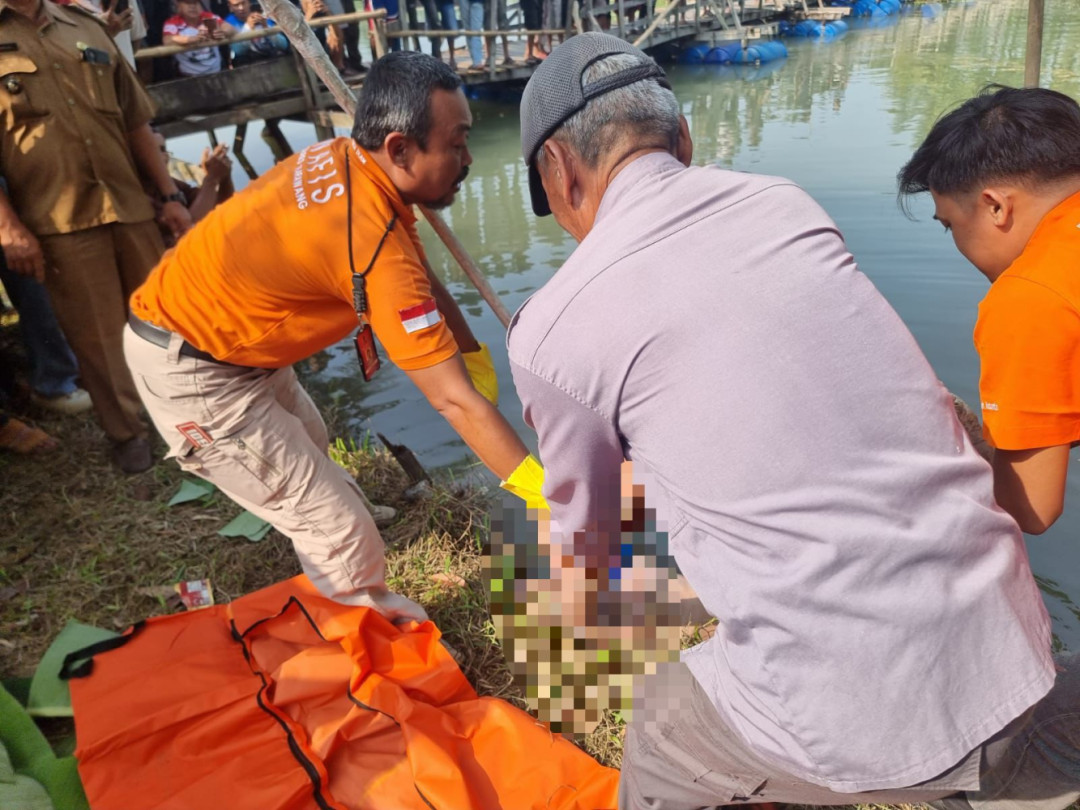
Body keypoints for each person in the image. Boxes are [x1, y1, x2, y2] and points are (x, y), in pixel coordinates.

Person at [511, 33, 1080, 808]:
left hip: (870, 711)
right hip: (1014, 641)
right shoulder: (783, 203)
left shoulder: (553, 328)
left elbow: (594, 546)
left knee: (662, 726)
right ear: (683, 139)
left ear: (559, 172)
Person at [124, 52, 531, 624]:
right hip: (193, 370)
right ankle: (372, 634)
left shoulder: (346, 160)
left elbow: (420, 270)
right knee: (336, 528)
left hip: (239, 344)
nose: (467, 160)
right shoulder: (370, 244)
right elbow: (451, 400)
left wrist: (470, 349)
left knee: (312, 440)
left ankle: (349, 524)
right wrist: (543, 493)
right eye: (458, 143)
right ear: (399, 148)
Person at [0, 0, 193, 473]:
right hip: (57, 219)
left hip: (129, 204)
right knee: (97, 338)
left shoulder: (83, 25)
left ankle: (193, 421)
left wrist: (170, 195)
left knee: (166, 321)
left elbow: (135, 122)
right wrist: (8, 227)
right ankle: (128, 434)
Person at [898, 86, 1080, 537]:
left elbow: (1030, 508)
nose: (958, 243)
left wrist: (973, 450)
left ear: (995, 206)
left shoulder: (1029, 296)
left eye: (950, 226)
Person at [145, 130, 234, 247]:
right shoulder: (139, 194)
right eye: (158, 151)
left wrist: (223, 175)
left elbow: (222, 206)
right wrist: (211, 180)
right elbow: (186, 230)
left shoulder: (173, 183)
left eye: (165, 150)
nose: (165, 155)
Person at [162, 0, 236, 76]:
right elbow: (167, 40)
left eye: (195, 3)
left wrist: (223, 32)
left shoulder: (208, 16)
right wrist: (192, 39)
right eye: (188, 3)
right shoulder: (172, 22)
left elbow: (231, 28)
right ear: (179, 6)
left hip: (217, 71)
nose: (192, 7)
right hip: (189, 75)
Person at [224, 0, 289, 64]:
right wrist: (248, 27)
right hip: (249, 62)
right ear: (230, 7)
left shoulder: (263, 16)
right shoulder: (229, 23)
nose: (241, 8)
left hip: (272, 57)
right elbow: (238, 51)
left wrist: (266, 27)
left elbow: (283, 45)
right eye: (236, 5)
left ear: (249, 2)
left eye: (243, 3)